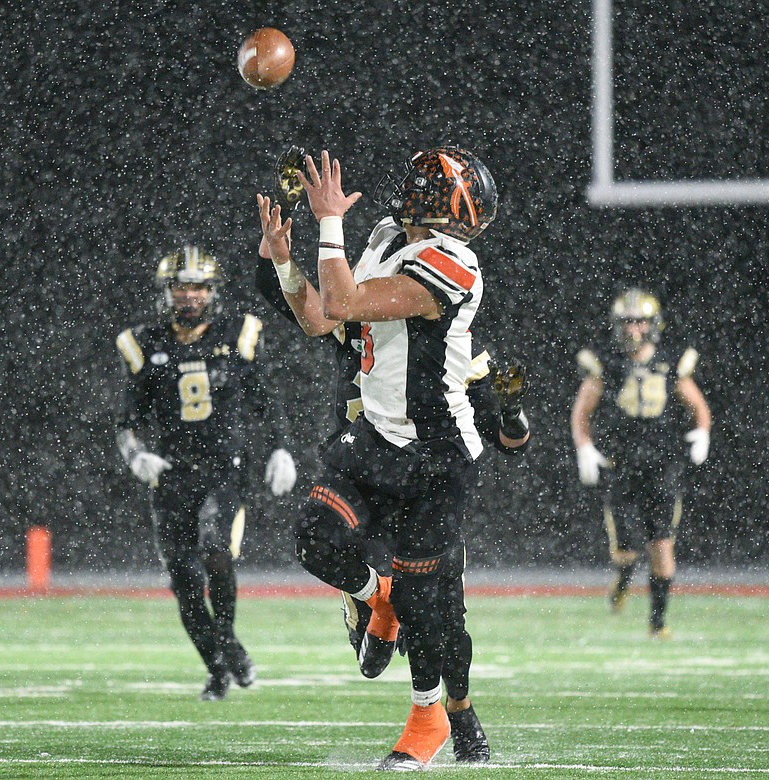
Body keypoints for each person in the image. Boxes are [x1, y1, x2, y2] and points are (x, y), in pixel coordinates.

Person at [256, 187, 530, 764]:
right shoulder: (383, 241)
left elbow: (345, 299)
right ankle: (377, 597)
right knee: (316, 537)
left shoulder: (452, 263)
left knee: (436, 606)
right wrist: (282, 260)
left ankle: (450, 717)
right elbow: (326, 312)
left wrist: (329, 223)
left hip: (436, 454)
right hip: (376, 441)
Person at [115, 245, 297, 701]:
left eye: (197, 286)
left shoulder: (237, 335)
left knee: (216, 548)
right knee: (185, 583)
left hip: (224, 470)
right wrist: (136, 455)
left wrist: (280, 448)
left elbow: (266, 399)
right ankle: (218, 668)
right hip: (172, 475)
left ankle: (230, 639)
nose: (189, 295)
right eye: (180, 286)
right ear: (167, 292)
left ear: (212, 292)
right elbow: (127, 421)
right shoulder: (145, 344)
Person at [571, 288, 711, 639]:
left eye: (640, 321)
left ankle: (657, 623)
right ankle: (622, 579)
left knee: (662, 543)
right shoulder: (606, 363)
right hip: (622, 464)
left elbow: (697, 405)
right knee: (626, 550)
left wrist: (703, 431)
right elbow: (582, 412)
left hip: (662, 465)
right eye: (627, 321)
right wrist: (584, 446)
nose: (633, 329)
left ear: (653, 324)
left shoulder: (670, 361)